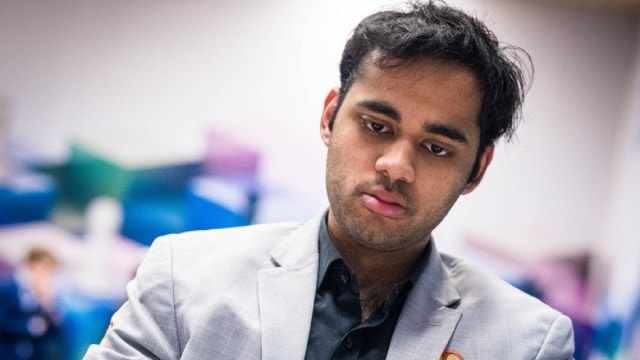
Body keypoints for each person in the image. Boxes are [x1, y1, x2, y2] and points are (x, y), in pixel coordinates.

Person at [84, 1, 575, 359]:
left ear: (478, 169)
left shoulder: (526, 343)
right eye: (376, 126)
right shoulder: (182, 278)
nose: (396, 165)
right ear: (330, 117)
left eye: (436, 148)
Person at [0, 247, 64, 360]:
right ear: (32, 265)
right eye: (44, 268)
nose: (46, 274)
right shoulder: (8, 289)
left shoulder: (45, 295)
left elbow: (54, 333)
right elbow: (4, 322)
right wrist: (29, 326)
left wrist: (48, 304)